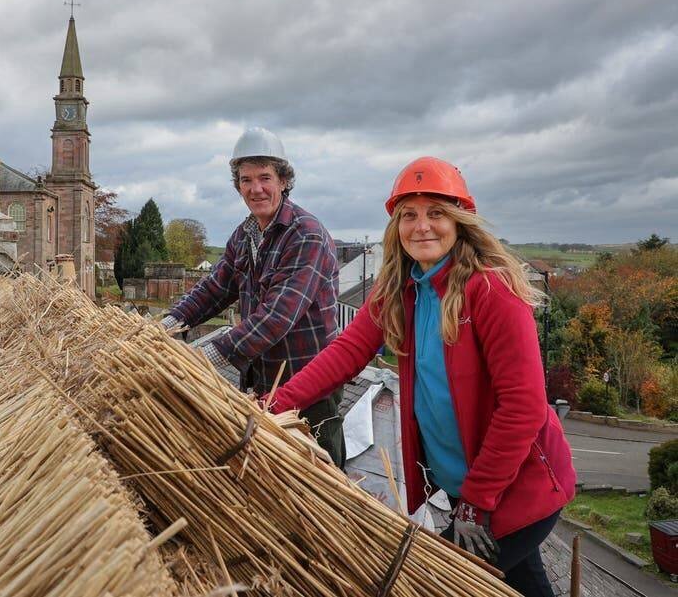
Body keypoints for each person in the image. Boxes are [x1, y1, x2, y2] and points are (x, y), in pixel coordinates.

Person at [265, 157, 575, 597]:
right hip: (471, 492)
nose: (422, 226)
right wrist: (275, 405)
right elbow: (346, 353)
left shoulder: (491, 291)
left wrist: (476, 501)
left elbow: (523, 407)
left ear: (460, 221)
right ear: (396, 226)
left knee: (435, 585)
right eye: (409, 215)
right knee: (526, 584)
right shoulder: (401, 289)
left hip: (517, 490)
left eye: (436, 213)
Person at [162, 127, 344, 465]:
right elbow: (214, 289)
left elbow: (277, 316)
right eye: (246, 180)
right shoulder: (246, 233)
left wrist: (207, 357)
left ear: (284, 181)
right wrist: (168, 325)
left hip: (311, 381)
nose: (255, 189)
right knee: (274, 469)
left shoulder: (306, 235)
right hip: (265, 379)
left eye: (265, 178)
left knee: (321, 469)